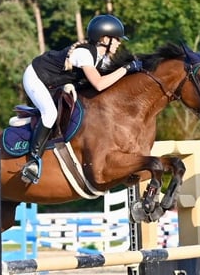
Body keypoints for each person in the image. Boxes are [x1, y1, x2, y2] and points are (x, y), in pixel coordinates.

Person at [20, 14, 142, 184]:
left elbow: (112, 79)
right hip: (36, 77)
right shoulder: (83, 54)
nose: (119, 43)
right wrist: (126, 69)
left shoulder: (101, 58)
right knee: (50, 114)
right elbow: (99, 84)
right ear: (104, 39)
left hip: (55, 81)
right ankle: (33, 161)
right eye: (116, 39)